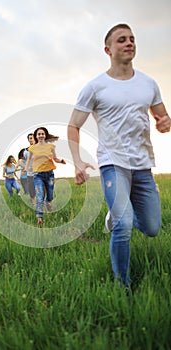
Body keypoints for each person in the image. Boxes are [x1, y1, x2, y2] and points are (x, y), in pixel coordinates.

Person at [67, 23, 171, 287]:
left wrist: (164, 122)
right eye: (122, 40)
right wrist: (78, 161)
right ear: (108, 49)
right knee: (123, 226)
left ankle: (116, 214)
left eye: (132, 39)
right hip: (113, 163)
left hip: (143, 165)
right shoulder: (96, 87)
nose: (129, 43)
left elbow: (161, 115)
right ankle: (121, 285)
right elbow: (73, 125)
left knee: (151, 228)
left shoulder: (149, 83)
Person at [24, 127, 66, 226]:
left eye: (42, 134)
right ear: (36, 136)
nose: (41, 135)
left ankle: (48, 202)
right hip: (38, 175)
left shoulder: (51, 146)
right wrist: (26, 169)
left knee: (50, 196)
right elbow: (29, 159)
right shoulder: (32, 148)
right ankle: (39, 217)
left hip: (49, 174)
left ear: (45, 135)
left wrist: (61, 161)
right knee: (39, 196)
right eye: (39, 134)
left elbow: (55, 158)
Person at [23, 133, 36, 203]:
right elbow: (26, 161)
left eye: (32, 138)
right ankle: (33, 201)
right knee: (31, 190)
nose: (31, 139)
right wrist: (26, 168)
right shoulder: (26, 151)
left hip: (38, 173)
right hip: (30, 174)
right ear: (28, 140)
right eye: (30, 138)